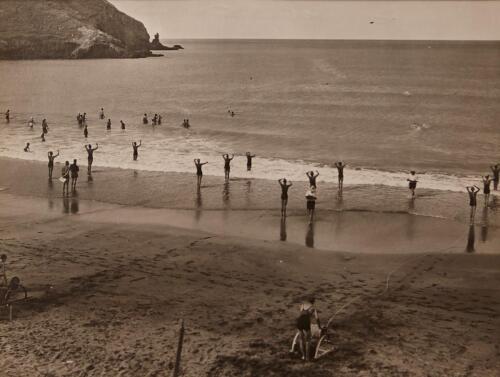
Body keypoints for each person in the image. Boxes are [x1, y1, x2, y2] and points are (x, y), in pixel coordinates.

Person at [295, 296, 321, 361]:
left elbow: (300, 314)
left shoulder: (302, 305)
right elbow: (317, 319)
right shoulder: (313, 308)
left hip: (299, 321)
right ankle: (307, 357)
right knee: (307, 341)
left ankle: (303, 356)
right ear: (313, 302)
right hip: (306, 323)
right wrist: (319, 327)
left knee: (301, 339)